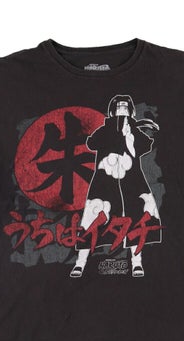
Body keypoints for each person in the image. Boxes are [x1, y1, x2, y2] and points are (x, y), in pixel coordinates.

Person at [70, 94, 162, 278]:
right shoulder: (105, 129)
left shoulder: (134, 130)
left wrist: (132, 133)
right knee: (93, 218)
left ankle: (137, 263)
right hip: (104, 180)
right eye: (118, 107)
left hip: (133, 181)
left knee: (137, 218)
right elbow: (92, 143)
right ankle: (80, 263)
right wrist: (111, 131)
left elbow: (146, 146)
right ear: (112, 111)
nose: (122, 110)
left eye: (125, 107)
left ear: (130, 111)